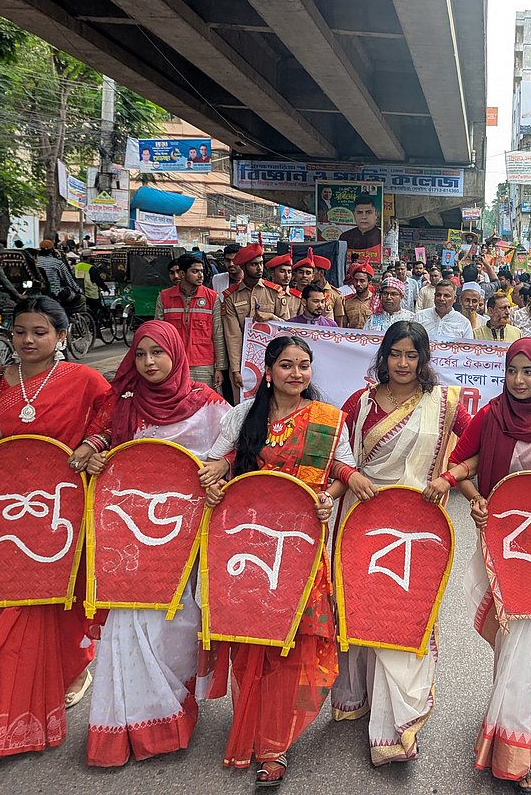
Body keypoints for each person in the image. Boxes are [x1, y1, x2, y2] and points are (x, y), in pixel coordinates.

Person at [424, 338, 531, 793]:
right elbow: (462, 462)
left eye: (528, 372)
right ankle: (505, 722)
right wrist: (476, 499)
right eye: (512, 371)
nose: (519, 381)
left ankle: (517, 751)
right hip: (501, 545)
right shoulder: (493, 415)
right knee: (509, 638)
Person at [200, 336, 366, 785]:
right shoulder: (243, 416)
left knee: (295, 640)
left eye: (304, 366)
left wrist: (331, 496)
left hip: (301, 547)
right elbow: (219, 466)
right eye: (287, 365)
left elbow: (338, 471)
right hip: (248, 545)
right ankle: (251, 724)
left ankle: (275, 744)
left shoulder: (327, 421)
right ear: (268, 370)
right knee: (253, 638)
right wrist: (215, 480)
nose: (297, 374)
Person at [0, 297, 112, 755]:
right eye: (20, 331)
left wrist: (92, 443)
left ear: (61, 336)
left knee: (62, 588)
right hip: (7, 502)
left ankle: (73, 666)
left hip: (63, 499)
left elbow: (109, 422)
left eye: (39, 332)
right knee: (7, 596)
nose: (27, 340)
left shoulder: (86, 379)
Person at [68, 321, 230, 767]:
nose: (149, 363)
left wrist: (218, 474)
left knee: (177, 626)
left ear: (177, 355)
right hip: (129, 542)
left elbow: (229, 456)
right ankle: (124, 728)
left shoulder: (209, 405)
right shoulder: (122, 403)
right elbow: (99, 441)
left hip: (185, 541)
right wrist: (94, 453)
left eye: (158, 353)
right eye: (140, 355)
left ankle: (173, 716)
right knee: (128, 627)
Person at [332, 322, 473, 765]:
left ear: (424, 358)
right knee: (364, 609)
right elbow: (336, 452)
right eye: (396, 354)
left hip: (417, 524)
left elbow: (476, 447)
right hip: (363, 517)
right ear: (383, 356)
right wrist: (347, 476)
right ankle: (362, 700)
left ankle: (397, 726)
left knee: (404, 615)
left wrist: (450, 478)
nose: (404, 364)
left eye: (413, 356)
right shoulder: (361, 402)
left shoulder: (444, 403)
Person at [221, 243, 297, 399]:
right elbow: (232, 337)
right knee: (243, 407)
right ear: (244, 267)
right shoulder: (231, 297)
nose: (259, 268)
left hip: (274, 359)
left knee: (274, 404)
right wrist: (236, 369)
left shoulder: (274, 292)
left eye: (261, 263)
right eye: (254, 264)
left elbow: (288, 328)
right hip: (243, 362)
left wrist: (271, 317)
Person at [155, 253, 226, 388]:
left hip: (203, 364)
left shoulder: (212, 297)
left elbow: (218, 334)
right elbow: (158, 335)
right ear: (182, 274)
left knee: (203, 404)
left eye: (201, 271)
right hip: (173, 362)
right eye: (195, 271)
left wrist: (220, 368)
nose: (200, 275)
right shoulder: (165, 297)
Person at [309, 250, 347, 326]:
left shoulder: (335, 295)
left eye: (312, 272)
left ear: (321, 273)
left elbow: (339, 322)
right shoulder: (306, 291)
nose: (310, 275)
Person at [342, 262, 374, 330]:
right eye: (356, 280)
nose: (358, 284)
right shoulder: (347, 302)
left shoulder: (376, 302)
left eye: (362, 281)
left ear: (369, 283)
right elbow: (343, 326)